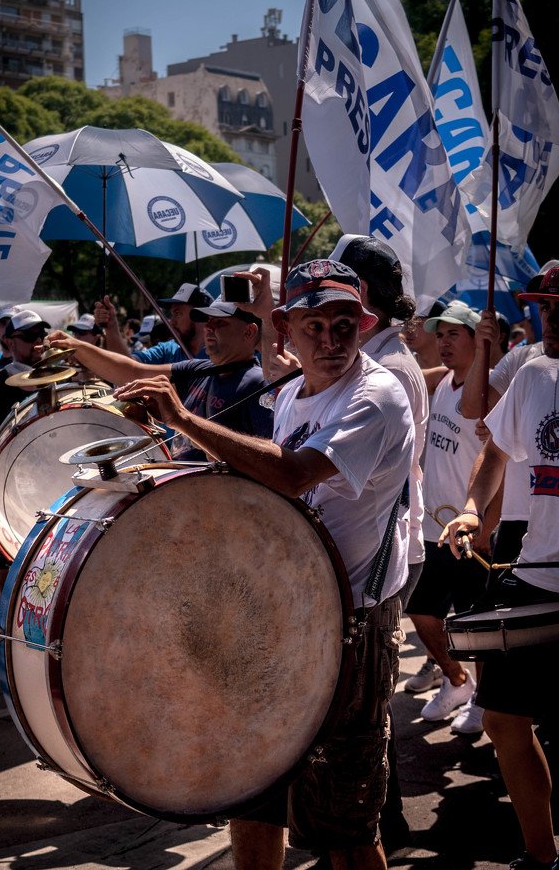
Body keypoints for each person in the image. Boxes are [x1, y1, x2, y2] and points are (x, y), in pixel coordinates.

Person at [115, 259, 414, 870]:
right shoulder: (294, 393)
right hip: (284, 612)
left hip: (351, 623)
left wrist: (182, 418)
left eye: (343, 326)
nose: (330, 341)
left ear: (364, 325)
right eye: (313, 327)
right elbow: (266, 485)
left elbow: (293, 473)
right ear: (284, 328)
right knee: (253, 796)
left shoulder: (378, 395)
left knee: (344, 825)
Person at [440, 263, 559, 870]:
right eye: (546, 308)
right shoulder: (532, 375)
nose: (552, 320)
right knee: (503, 720)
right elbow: (495, 450)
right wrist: (473, 509)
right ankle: (543, 859)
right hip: (537, 574)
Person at [327, 235, 428, 853]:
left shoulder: (387, 370)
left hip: (382, 555)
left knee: (364, 705)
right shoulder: (378, 356)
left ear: (361, 293)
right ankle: (373, 823)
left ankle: (375, 826)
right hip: (376, 548)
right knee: (363, 703)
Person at [405, 300, 496, 733]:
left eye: (453, 334)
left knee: (475, 626)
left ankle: (483, 700)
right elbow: (402, 377)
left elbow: (502, 464)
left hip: (467, 532)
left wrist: (487, 526)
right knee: (422, 612)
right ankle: (458, 681)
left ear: (478, 340)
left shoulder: (490, 395)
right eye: (439, 335)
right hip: (432, 527)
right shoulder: (442, 379)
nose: (443, 342)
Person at [49, 299, 273, 462]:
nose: (208, 328)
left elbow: (270, 458)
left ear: (249, 332)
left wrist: (181, 418)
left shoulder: (258, 383)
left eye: (220, 323)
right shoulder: (200, 368)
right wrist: (76, 346)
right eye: (208, 321)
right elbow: (133, 372)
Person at [0, 309, 50, 605]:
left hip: (47, 488)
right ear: (9, 341)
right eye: (29, 337)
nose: (38, 342)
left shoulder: (56, 378)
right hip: (3, 492)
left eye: (41, 334)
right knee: (5, 573)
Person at [401, 301, 446, 369]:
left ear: (438, 329)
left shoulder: (455, 371)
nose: (409, 329)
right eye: (408, 323)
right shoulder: (401, 364)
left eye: (418, 324)